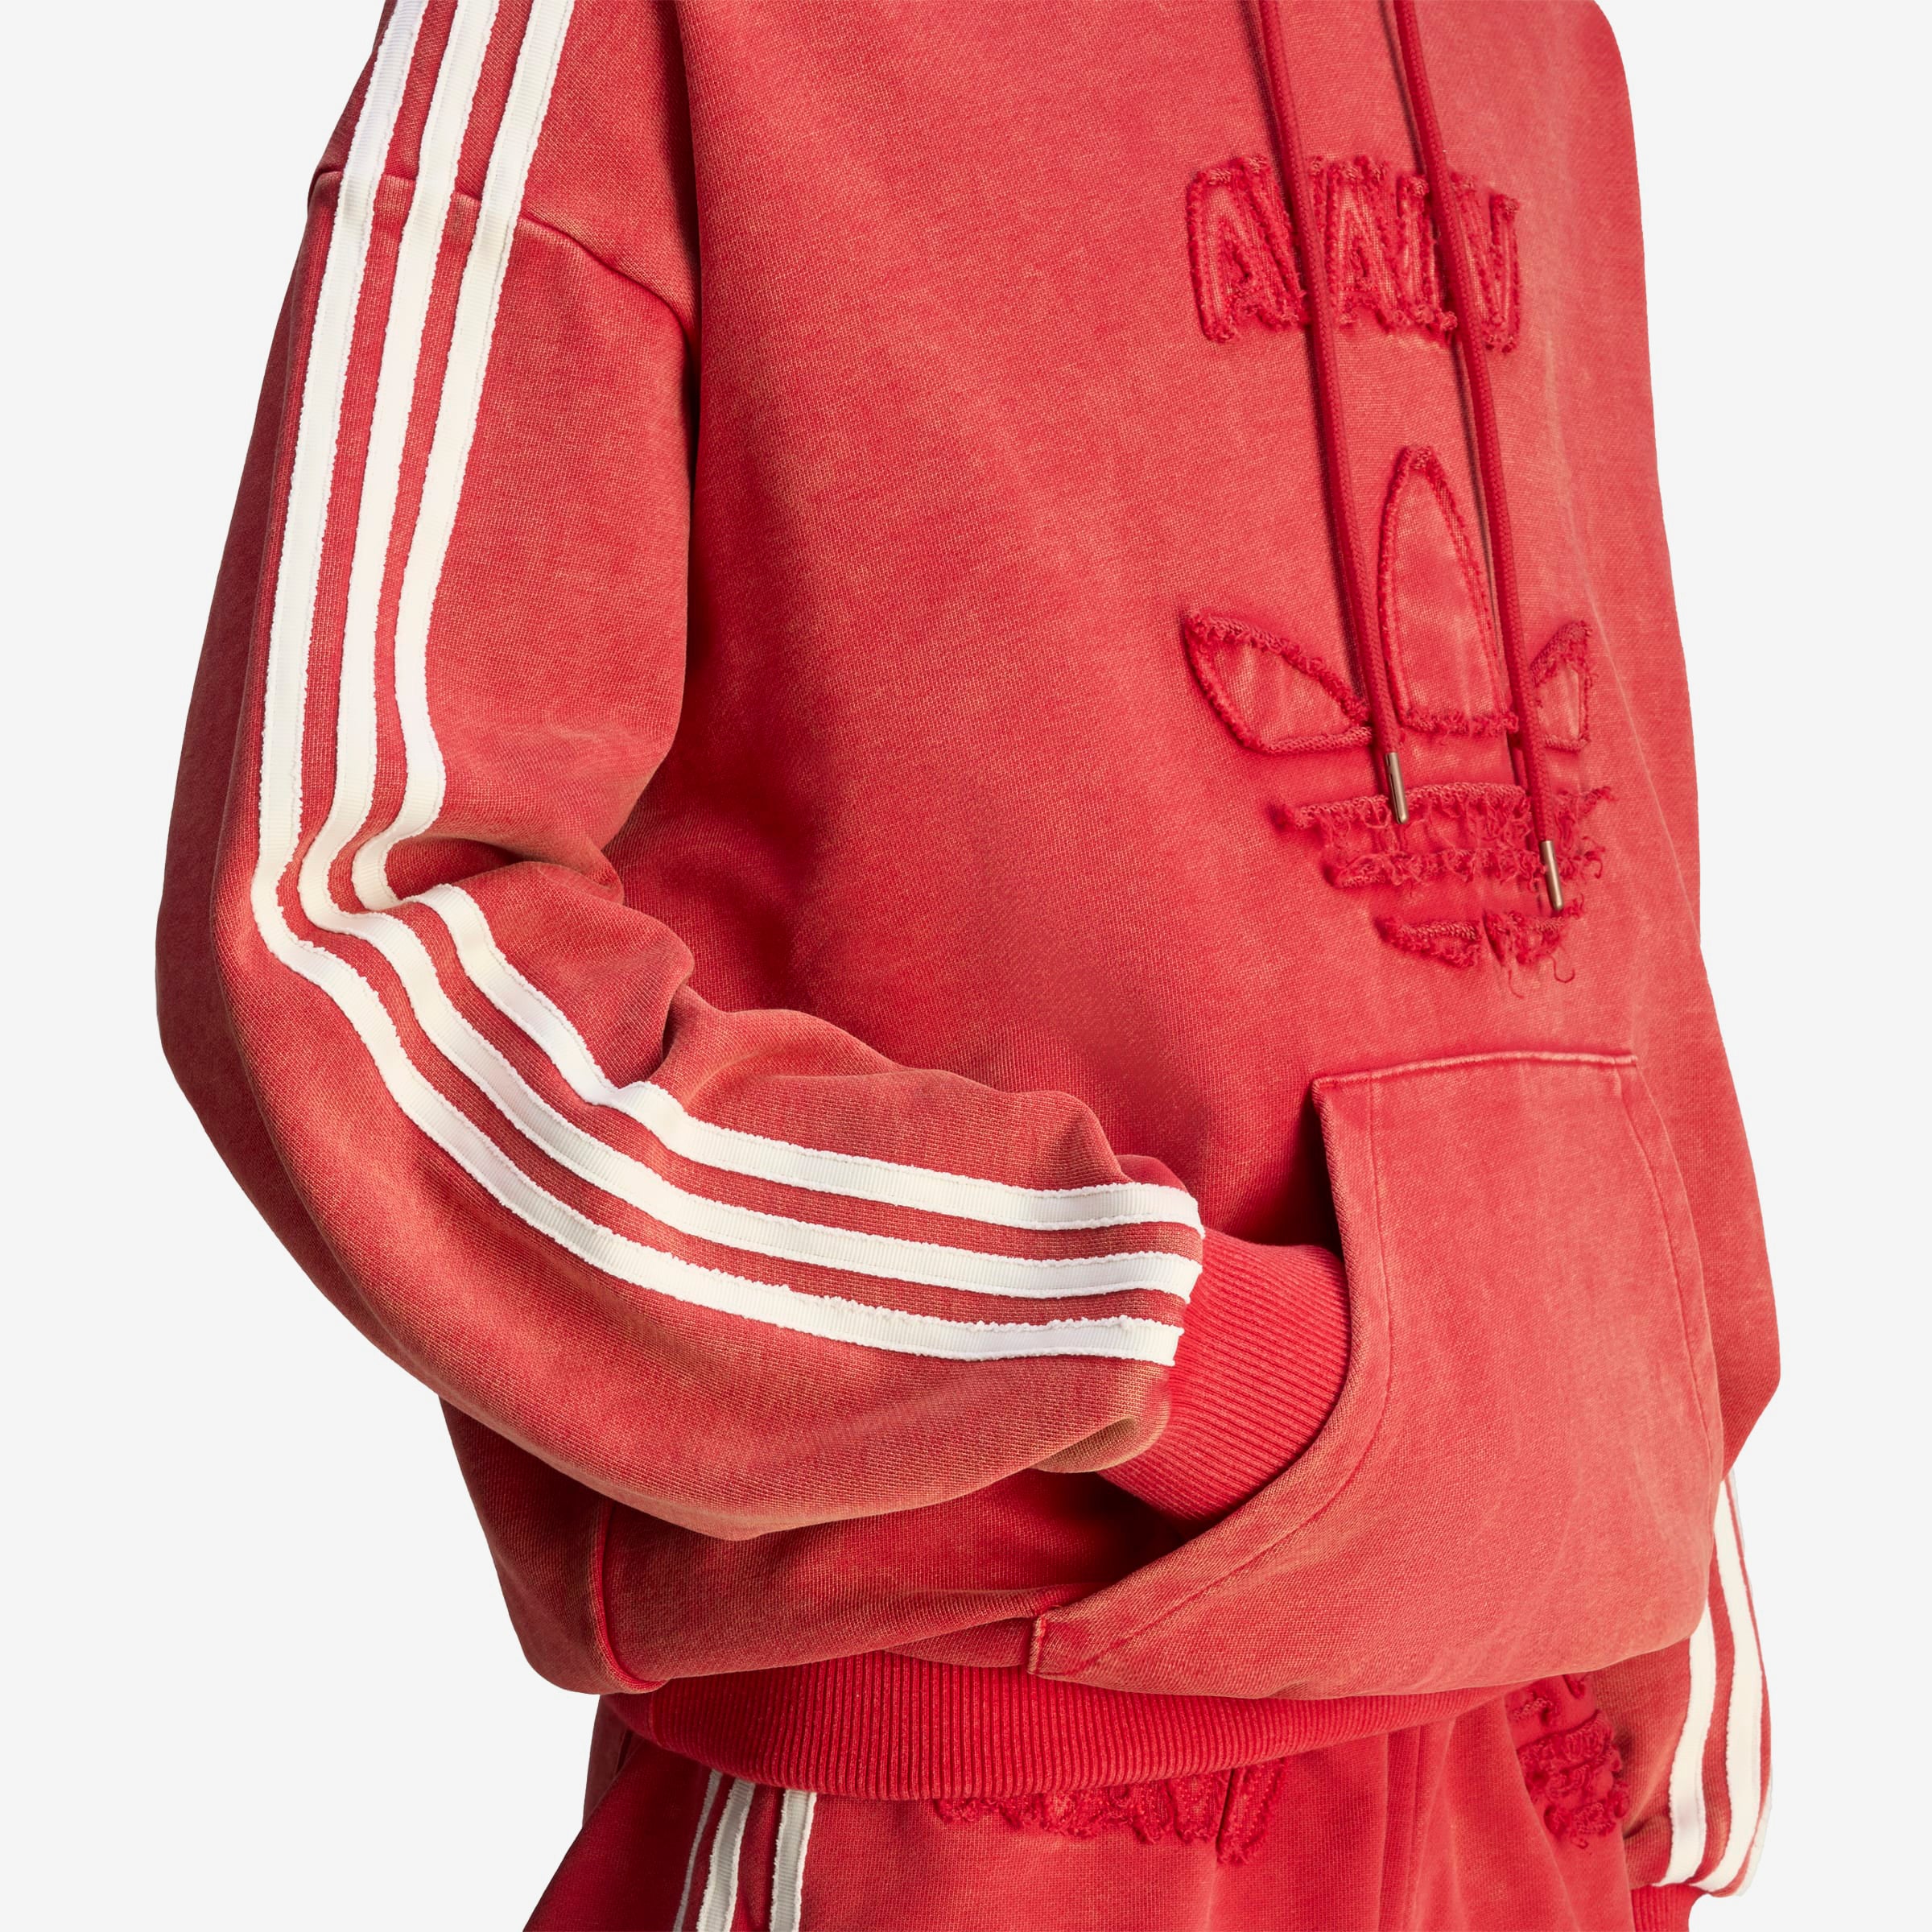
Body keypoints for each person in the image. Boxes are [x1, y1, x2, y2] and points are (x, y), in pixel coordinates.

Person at [158, 2, 1777, 1926]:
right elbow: (356, 919)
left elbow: (1608, 878)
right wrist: (1155, 1342)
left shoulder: (1543, 48)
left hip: (1532, 1787)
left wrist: (1677, 1654)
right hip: (963, 1791)